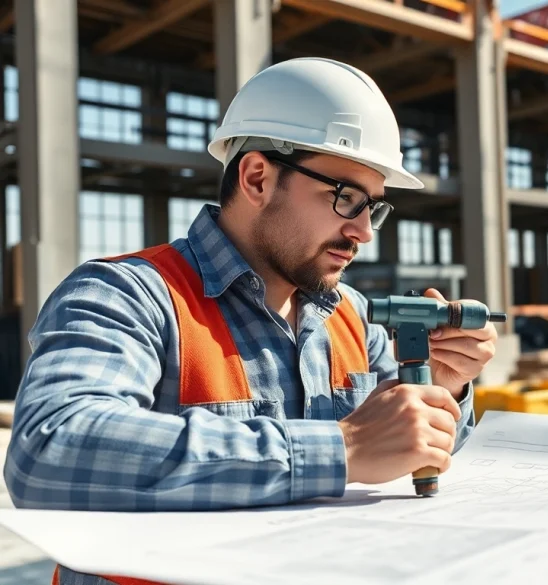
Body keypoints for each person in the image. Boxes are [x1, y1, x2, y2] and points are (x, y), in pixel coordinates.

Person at [3, 58, 498, 585]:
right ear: (257, 177)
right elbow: (50, 449)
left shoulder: (350, 315)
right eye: (346, 197)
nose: (362, 231)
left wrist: (443, 390)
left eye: (372, 207)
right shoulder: (128, 295)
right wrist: (342, 448)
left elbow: (404, 456)